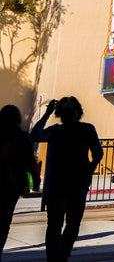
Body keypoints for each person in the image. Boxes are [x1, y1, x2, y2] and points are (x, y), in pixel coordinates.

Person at [30, 97, 103, 262]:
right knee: (55, 225)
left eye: (71, 110)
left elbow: (98, 153)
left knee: (71, 224)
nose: (68, 114)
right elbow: (35, 135)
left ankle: (62, 254)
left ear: (78, 112)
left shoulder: (86, 129)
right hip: (58, 186)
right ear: (60, 114)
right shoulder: (55, 131)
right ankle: (55, 258)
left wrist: (89, 169)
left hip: (76, 185)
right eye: (64, 111)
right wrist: (46, 114)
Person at [1, 104, 40, 259]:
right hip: (13, 185)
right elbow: (30, 161)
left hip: (9, 184)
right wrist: (35, 180)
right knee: (5, 221)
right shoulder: (22, 138)